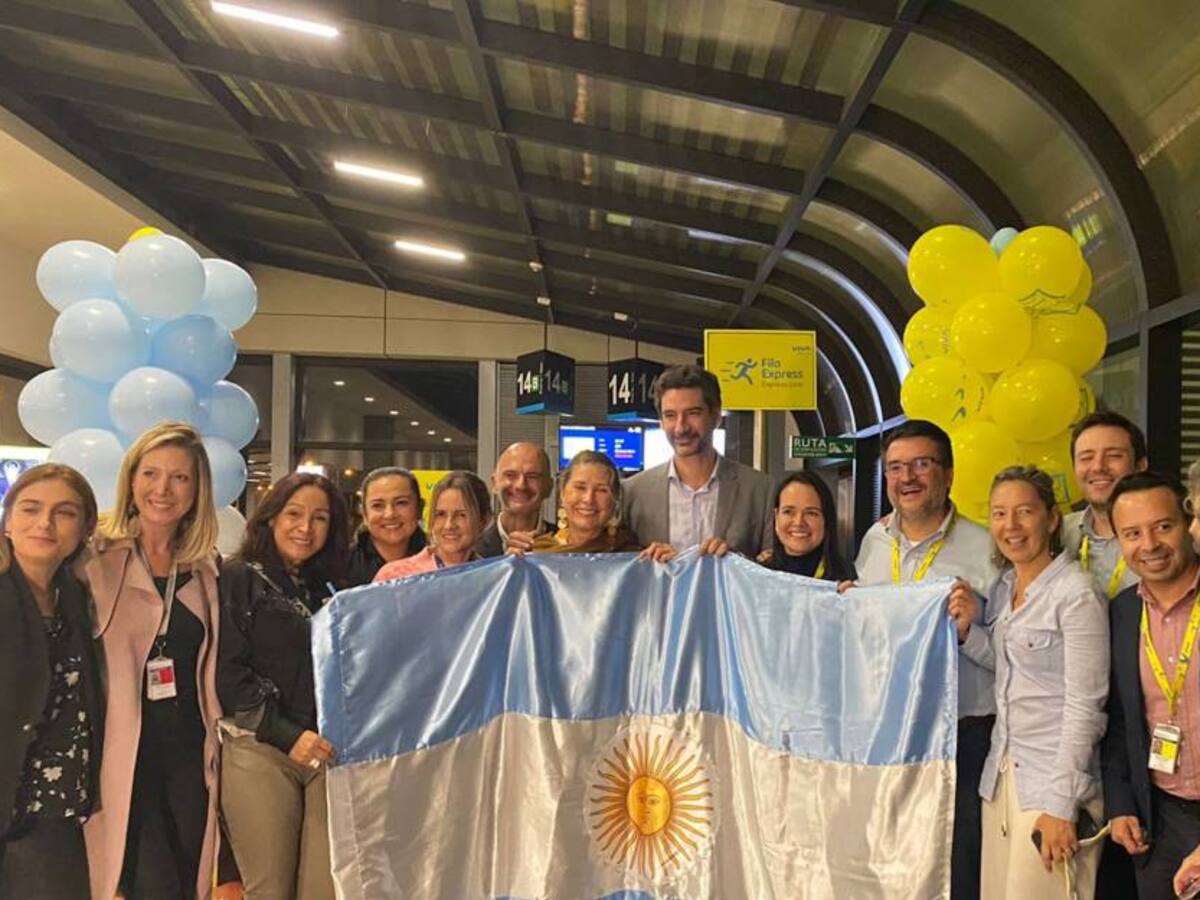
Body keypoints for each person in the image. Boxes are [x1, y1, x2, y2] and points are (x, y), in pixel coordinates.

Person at [853, 419, 998, 900]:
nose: (907, 478)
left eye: (921, 464)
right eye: (895, 467)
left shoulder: (989, 548)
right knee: (892, 860)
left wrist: (968, 633)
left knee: (958, 867)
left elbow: (1013, 660)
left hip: (963, 735)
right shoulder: (873, 543)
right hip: (888, 729)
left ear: (949, 474)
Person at [949, 467, 1108, 900]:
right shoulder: (1004, 588)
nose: (1011, 526)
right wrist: (968, 635)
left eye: (1024, 512)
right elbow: (1012, 669)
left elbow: (1086, 706)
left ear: (1052, 518)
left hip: (1050, 787)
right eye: (999, 514)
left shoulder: (1077, 594)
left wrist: (1062, 805)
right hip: (1000, 779)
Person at [83, 422, 222, 900]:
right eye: (151, 473)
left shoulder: (207, 570)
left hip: (188, 756)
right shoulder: (93, 558)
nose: (163, 489)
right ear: (131, 479)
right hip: (121, 754)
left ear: (197, 490)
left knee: (188, 881)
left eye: (180, 478)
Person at [218, 472, 350, 900]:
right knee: (269, 890)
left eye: (319, 518)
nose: (305, 527)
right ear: (271, 517)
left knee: (324, 889)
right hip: (261, 750)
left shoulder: (329, 587)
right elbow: (227, 671)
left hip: (324, 754)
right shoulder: (237, 578)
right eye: (294, 514)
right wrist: (286, 735)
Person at [0, 464, 102, 898]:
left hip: (55, 807)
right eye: (30, 509)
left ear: (84, 529)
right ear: (7, 519)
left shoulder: (77, 597)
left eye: (64, 512)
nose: (44, 523)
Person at [1102, 471, 1200, 900]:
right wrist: (1121, 804)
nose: (1150, 545)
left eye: (1163, 527)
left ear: (1187, 521)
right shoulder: (1121, 613)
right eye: (1133, 533)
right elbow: (1121, 720)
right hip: (1159, 819)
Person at [622, 364, 772, 557]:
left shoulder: (760, 489)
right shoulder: (633, 492)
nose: (680, 427)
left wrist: (736, 563)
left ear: (716, 416)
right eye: (670, 415)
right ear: (660, 422)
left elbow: (773, 572)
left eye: (693, 413)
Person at [1066, 412, 1148, 600]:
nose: (1098, 467)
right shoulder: (1058, 533)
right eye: (1086, 458)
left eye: (1113, 456)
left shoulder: (1169, 538)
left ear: (1140, 466)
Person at [507, 450, 642, 555]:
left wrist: (661, 561)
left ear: (615, 499)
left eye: (601, 490)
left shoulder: (632, 556)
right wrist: (512, 566)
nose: (588, 499)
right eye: (580, 487)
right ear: (562, 493)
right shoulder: (536, 552)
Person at [373, 471, 492, 581]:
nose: (448, 525)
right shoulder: (395, 576)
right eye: (440, 514)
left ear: (484, 520)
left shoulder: (494, 579)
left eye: (461, 515)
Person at [756, 471, 855, 581]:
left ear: (826, 519)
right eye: (788, 511)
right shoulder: (758, 576)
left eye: (811, 513)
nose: (798, 522)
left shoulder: (850, 578)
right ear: (776, 516)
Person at [345, 467, 426, 585]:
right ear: (364, 513)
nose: (390, 514)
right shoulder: (341, 567)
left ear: (419, 508)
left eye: (401, 503)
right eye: (378, 505)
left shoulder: (442, 562)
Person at [476, 443, 554, 559]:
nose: (521, 485)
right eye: (510, 475)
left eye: (532, 476)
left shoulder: (567, 546)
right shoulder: (472, 548)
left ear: (549, 487)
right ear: (494, 484)